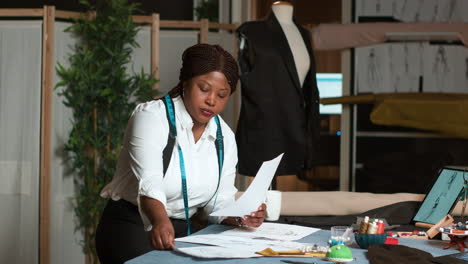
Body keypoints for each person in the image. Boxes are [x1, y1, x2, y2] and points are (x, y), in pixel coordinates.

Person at [95, 43, 266, 264]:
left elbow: (220, 200)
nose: (211, 100)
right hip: (131, 225)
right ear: (185, 82)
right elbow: (150, 183)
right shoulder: (151, 117)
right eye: (204, 89)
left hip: (185, 229)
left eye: (222, 95)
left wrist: (240, 215)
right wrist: (160, 220)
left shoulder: (224, 137)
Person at [236, 0, 320, 178]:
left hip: (298, 128)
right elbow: (246, 77)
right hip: (264, 130)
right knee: (264, 187)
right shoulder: (251, 31)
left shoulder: (304, 34)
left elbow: (308, 88)